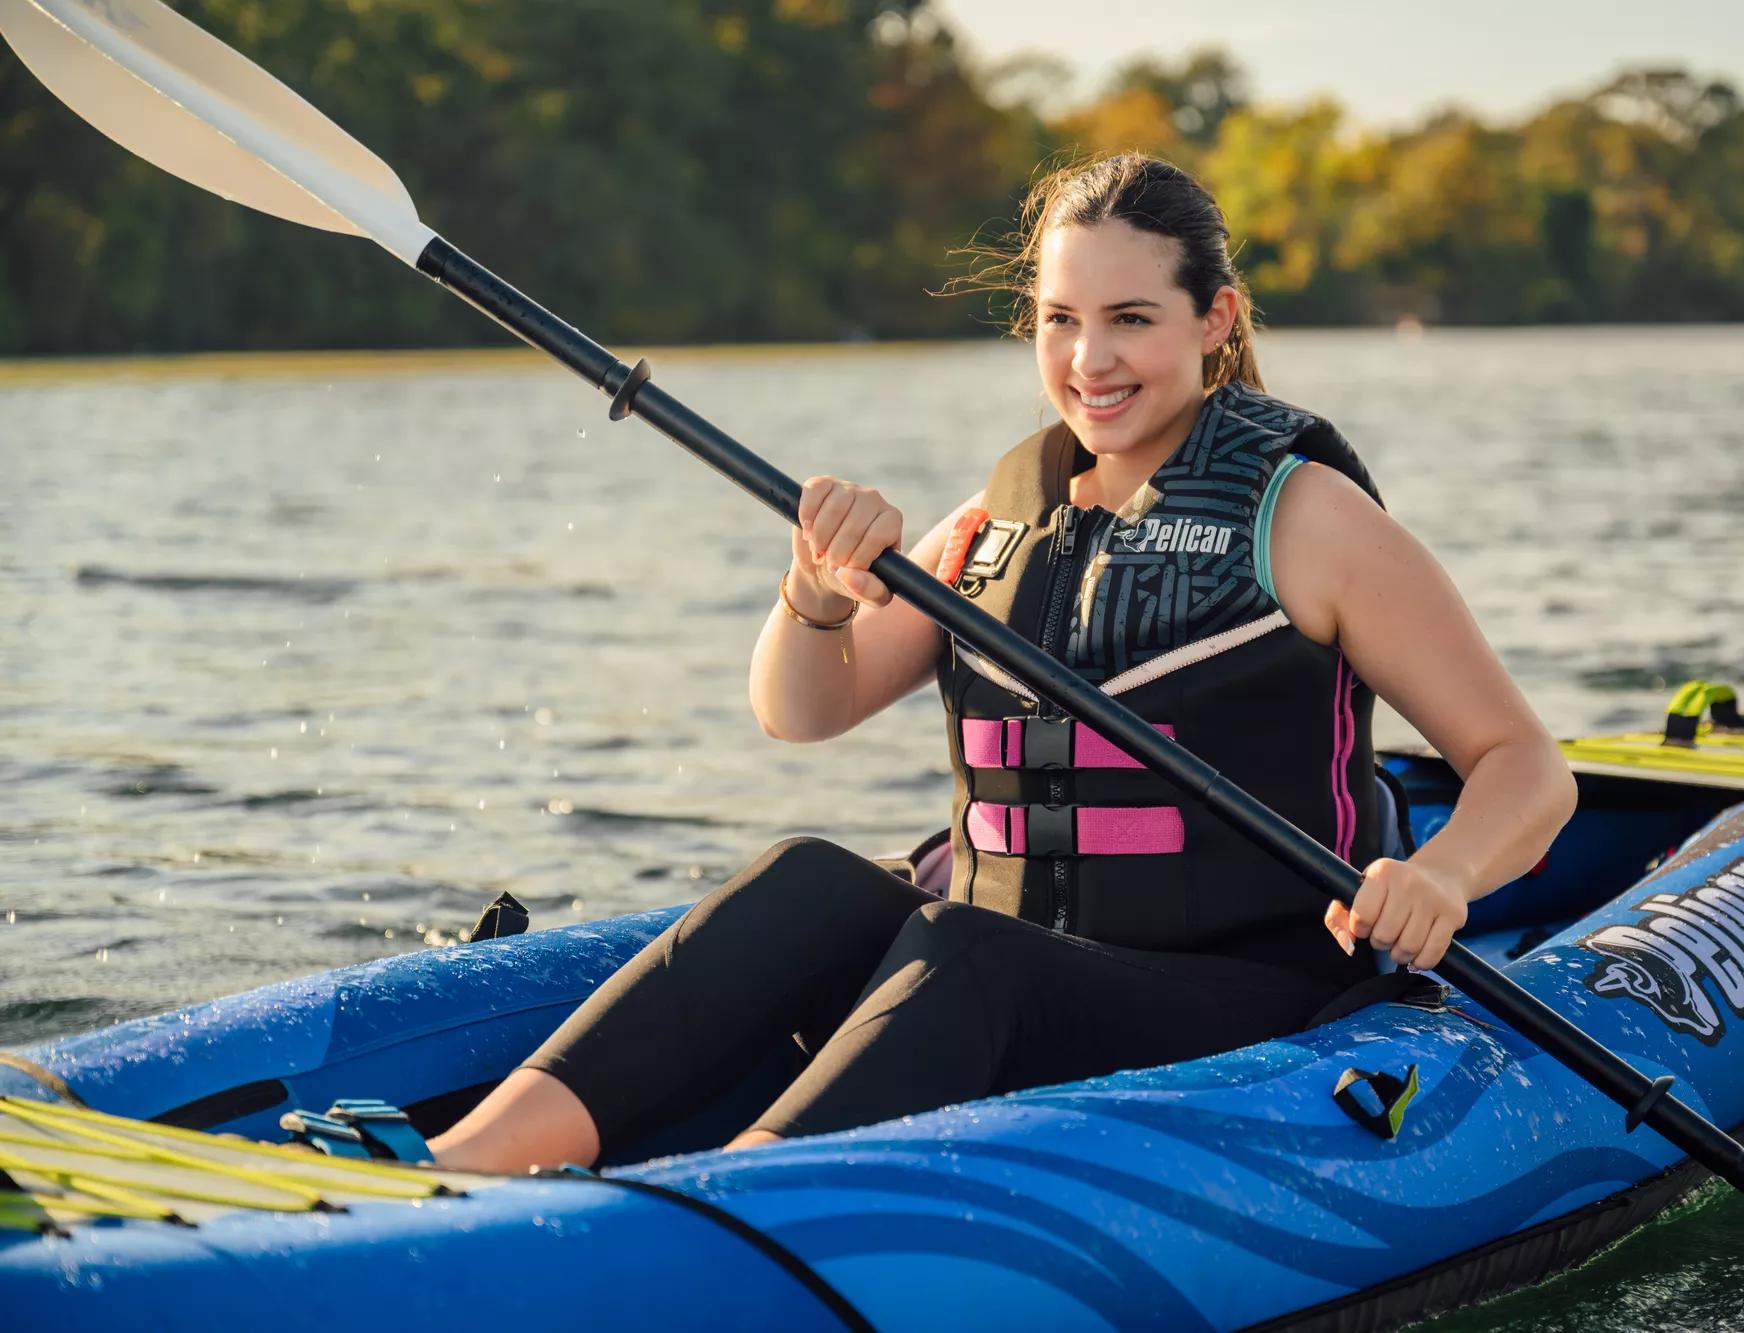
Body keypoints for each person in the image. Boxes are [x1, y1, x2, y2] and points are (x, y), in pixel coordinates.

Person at [421, 154, 1576, 1173]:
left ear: (1214, 319)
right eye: (1058, 320)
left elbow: (1523, 763)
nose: (1088, 359)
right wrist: (813, 595)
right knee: (809, 878)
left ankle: (724, 1203)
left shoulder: (1308, 519)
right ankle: (459, 1164)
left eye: (1130, 318)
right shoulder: (994, 523)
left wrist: (1442, 877)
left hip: (1245, 994)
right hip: (1007, 960)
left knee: (968, 949)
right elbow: (801, 710)